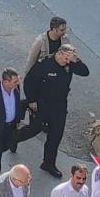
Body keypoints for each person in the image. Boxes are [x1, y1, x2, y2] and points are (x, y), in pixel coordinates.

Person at [23, 45, 90, 178]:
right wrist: (31, 100)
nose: (68, 62)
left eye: (70, 59)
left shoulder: (70, 64)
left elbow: (85, 72)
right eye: (66, 58)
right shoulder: (44, 63)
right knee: (32, 130)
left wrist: (76, 60)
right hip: (43, 104)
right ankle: (10, 140)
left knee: (56, 136)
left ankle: (48, 163)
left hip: (59, 106)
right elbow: (29, 81)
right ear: (59, 53)